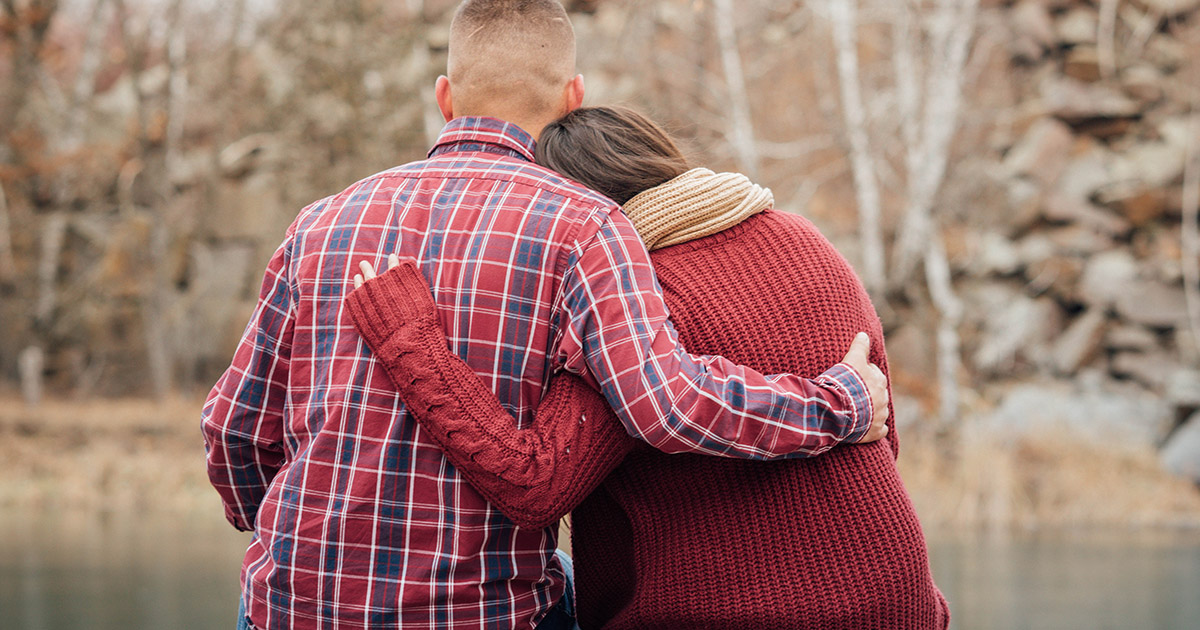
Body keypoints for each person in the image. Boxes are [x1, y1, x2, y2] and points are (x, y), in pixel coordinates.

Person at [202, 1, 888, 627]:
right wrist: (838, 404)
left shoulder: (319, 223)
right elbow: (668, 405)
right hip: (475, 612)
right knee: (562, 580)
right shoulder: (587, 228)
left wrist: (287, 537)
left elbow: (232, 428)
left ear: (445, 97)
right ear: (572, 98)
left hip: (287, 602)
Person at [346, 106, 949, 629]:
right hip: (899, 601)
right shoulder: (805, 238)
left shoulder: (628, 301)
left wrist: (413, 346)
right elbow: (882, 436)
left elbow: (536, 482)